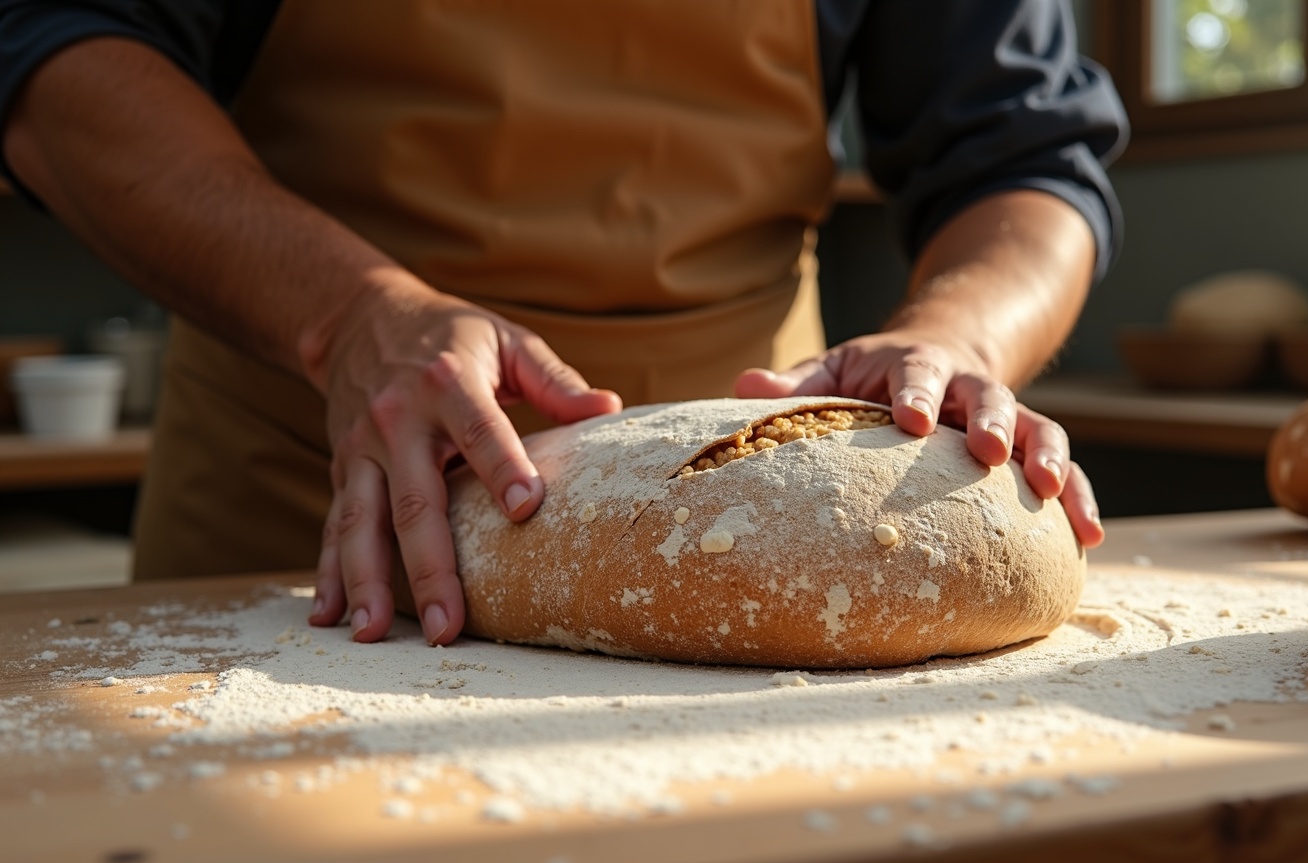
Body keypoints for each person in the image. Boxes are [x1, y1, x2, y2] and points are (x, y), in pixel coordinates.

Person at [0, 1, 1127, 646]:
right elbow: (56, 44)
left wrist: (963, 338)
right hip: (323, 508)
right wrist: (346, 315)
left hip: (792, 496)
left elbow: (1023, 148)